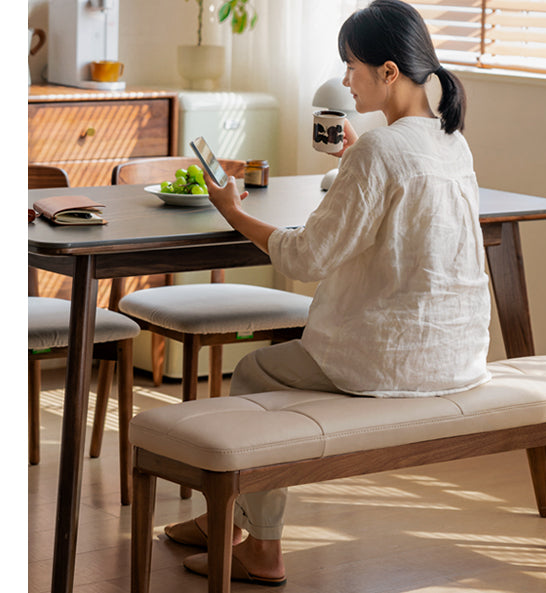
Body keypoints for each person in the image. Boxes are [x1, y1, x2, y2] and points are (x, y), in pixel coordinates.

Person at [164, 0, 491, 585]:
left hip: (390, 361)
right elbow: (398, 201)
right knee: (285, 363)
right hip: (459, 354)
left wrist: (234, 211)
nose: (345, 79)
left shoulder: (379, 149)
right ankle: (226, 518)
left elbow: (306, 258)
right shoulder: (450, 141)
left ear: (389, 72)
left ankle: (256, 544)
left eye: (352, 65)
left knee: (255, 375)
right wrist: (353, 158)